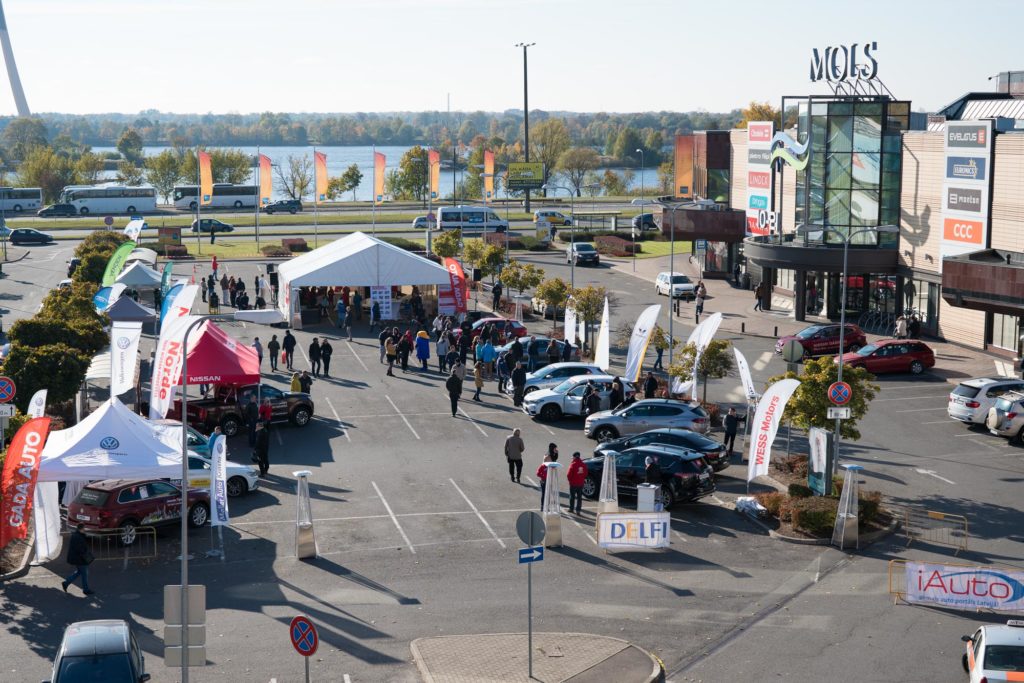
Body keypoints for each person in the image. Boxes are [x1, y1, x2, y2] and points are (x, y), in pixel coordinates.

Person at [61, 523, 94, 595]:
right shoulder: (78, 537)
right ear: (81, 529)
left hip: (76, 558)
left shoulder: (76, 535)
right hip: (79, 559)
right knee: (84, 574)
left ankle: (66, 583)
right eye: (84, 528)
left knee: (79, 572)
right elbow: (80, 549)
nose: (85, 530)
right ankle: (86, 590)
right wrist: (87, 556)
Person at [537, 444, 558, 510]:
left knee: (548, 493)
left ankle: (546, 506)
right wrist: (543, 477)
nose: (556, 450)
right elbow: (538, 472)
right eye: (555, 448)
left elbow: (554, 461)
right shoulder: (547, 457)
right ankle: (543, 506)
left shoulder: (552, 455)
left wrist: (556, 454)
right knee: (544, 494)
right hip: (545, 479)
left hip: (549, 478)